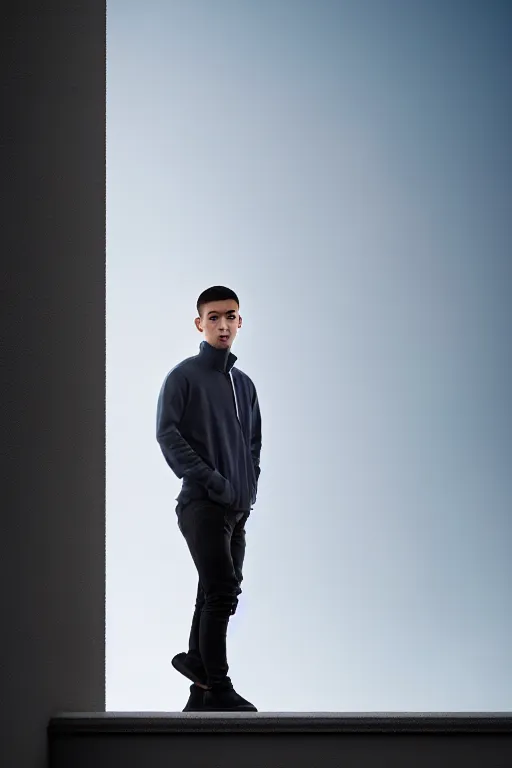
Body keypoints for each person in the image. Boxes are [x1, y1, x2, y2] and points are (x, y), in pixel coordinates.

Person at [156, 286, 262, 712]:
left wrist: (247, 487)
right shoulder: (183, 376)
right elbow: (168, 433)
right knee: (222, 591)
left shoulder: (245, 386)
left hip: (237, 510)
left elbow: (252, 444)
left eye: (230, 316)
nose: (223, 324)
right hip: (201, 504)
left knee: (214, 594)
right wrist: (213, 480)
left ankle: (198, 682)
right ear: (200, 324)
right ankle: (218, 686)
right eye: (214, 317)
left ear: (240, 322)